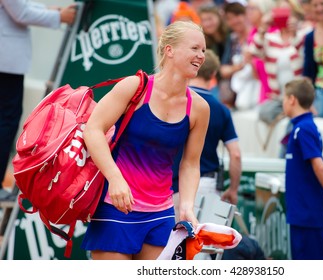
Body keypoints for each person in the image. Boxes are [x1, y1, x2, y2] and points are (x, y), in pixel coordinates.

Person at [81, 20, 210, 260]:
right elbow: (93, 130)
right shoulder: (134, 87)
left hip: (160, 214)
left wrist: (187, 206)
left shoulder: (200, 108)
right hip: (115, 206)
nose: (201, 56)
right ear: (169, 50)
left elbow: (191, 164)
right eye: (194, 48)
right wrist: (115, 178)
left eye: (203, 50)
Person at [0, 0, 76, 201]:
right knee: (6, 120)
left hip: (7, 62)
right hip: (5, 63)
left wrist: (51, 11)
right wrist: (59, 16)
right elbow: (20, 12)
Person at [282, 78, 323, 260]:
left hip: (306, 215)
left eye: (283, 99)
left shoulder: (303, 129)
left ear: (292, 100)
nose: (282, 103)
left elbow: (318, 165)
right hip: (302, 213)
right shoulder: (300, 127)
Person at [172, 49, 241, 220]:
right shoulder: (221, 109)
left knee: (174, 244)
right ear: (213, 74)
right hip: (207, 184)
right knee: (206, 244)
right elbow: (236, 154)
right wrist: (233, 189)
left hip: (173, 183)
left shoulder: (175, 103)